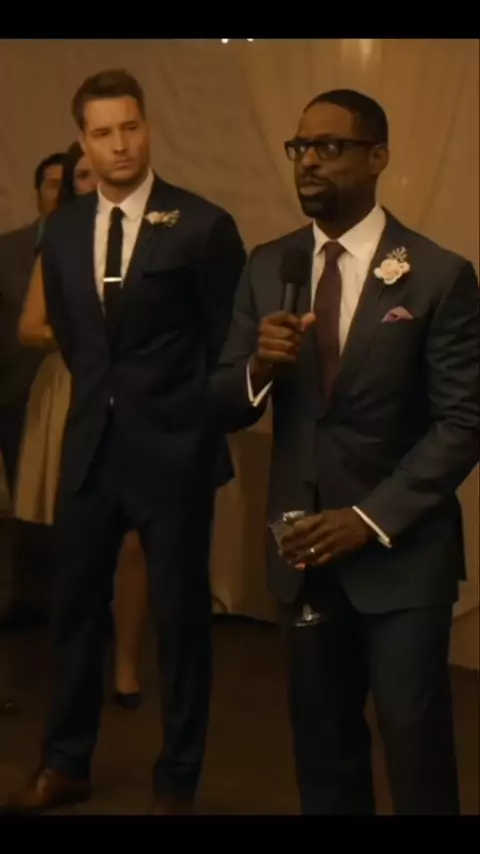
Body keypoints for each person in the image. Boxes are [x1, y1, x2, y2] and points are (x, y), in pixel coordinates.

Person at [211, 89, 479, 815]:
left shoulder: (437, 274)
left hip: (402, 556)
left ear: (377, 157)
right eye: (300, 147)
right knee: (323, 752)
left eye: (330, 147)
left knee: (416, 746)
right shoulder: (269, 265)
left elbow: (463, 421)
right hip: (304, 551)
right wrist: (258, 367)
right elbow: (223, 401)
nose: (309, 162)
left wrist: (368, 518)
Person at [3, 68, 245, 816]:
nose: (119, 145)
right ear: (83, 141)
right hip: (89, 451)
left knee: (181, 624)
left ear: (148, 128)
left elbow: (228, 346)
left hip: (174, 454)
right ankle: (64, 764)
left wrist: (193, 427)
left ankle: (176, 782)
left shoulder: (202, 225)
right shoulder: (64, 229)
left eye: (130, 128)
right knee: (73, 614)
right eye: (103, 132)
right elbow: (78, 339)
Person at [14, 142, 147, 707]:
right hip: (74, 388)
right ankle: (77, 664)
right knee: (79, 539)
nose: (93, 182)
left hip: (138, 393)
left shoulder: (152, 233)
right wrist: (87, 336)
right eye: (82, 176)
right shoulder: (61, 240)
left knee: (135, 540)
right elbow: (29, 327)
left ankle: (126, 665)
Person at [0, 153, 66, 632]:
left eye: (68, 183)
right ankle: (26, 598)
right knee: (23, 505)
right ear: (37, 193)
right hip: (14, 391)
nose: (59, 192)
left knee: (73, 505)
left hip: (76, 395)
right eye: (51, 184)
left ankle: (77, 602)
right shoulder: (7, 250)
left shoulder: (98, 246)